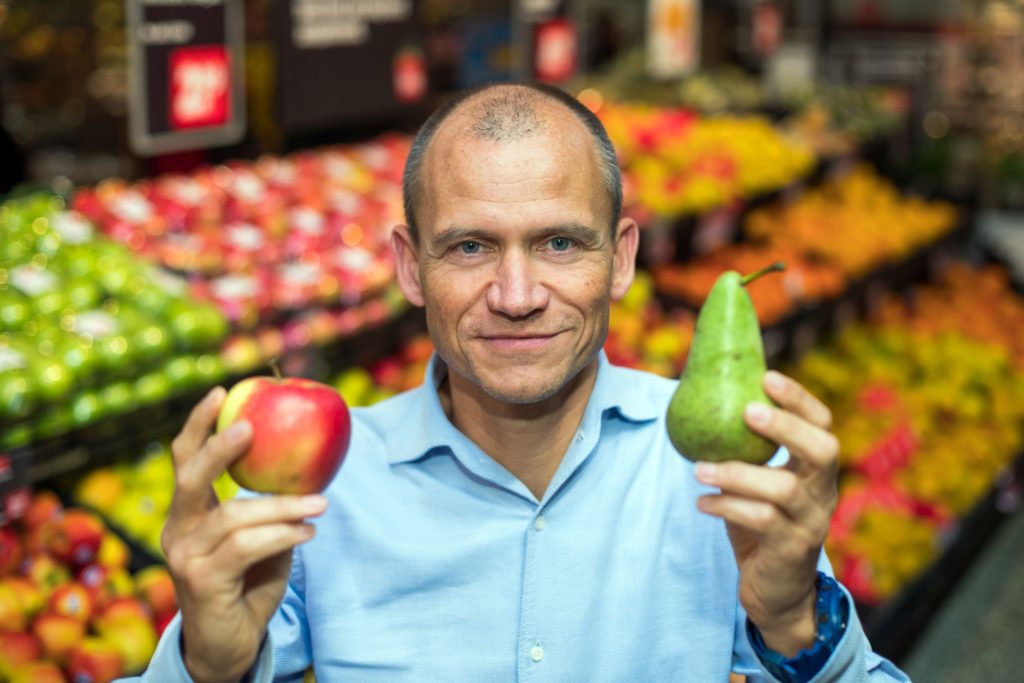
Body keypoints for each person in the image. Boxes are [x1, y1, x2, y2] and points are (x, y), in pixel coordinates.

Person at [125, 83, 909, 682]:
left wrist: (795, 622)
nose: (517, 293)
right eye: (469, 247)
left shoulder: (729, 465)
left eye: (561, 242)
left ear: (623, 258)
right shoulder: (315, 493)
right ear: (409, 266)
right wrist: (208, 664)